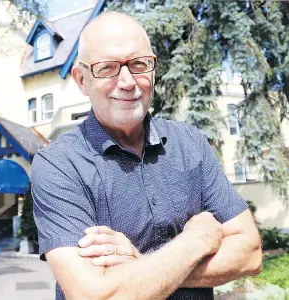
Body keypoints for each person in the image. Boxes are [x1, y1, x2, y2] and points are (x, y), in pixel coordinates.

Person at [30, 11, 263, 300]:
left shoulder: (190, 145)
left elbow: (250, 253)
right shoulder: (59, 164)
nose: (128, 81)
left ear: (153, 70)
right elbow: (95, 295)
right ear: (81, 79)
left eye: (139, 64)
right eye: (107, 68)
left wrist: (139, 264)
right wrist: (195, 242)